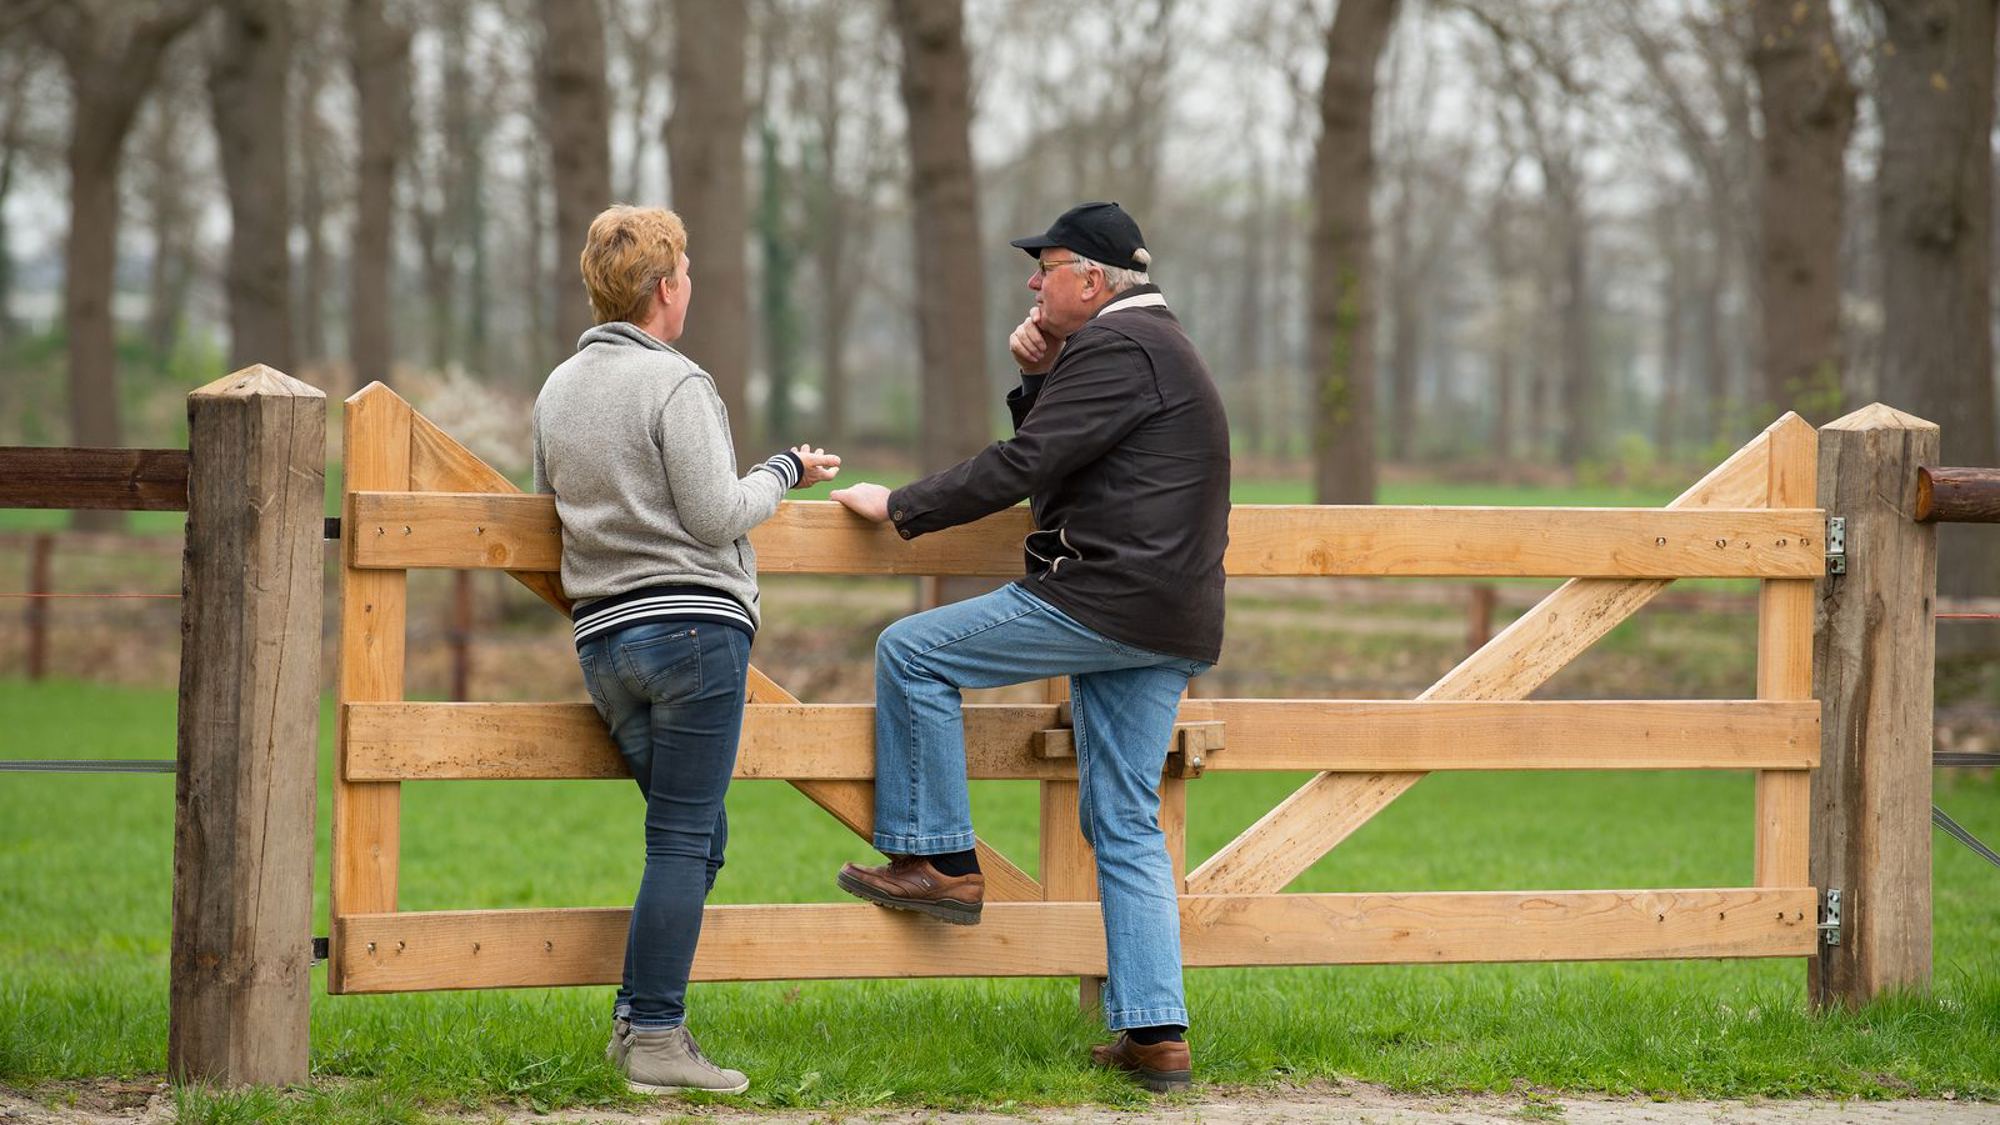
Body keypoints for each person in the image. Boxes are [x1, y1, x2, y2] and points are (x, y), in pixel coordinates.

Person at [829, 201, 1229, 1093]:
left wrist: (899, 507)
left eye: (1043, 267)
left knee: (912, 652)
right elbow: (1078, 450)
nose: (1030, 282)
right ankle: (1157, 1034)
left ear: (1092, 279)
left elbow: (1026, 464)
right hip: (1169, 618)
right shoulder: (1152, 347)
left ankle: (941, 862)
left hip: (1105, 600)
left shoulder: (1121, 347)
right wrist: (1041, 372)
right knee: (1122, 819)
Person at [532, 204, 839, 1096]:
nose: (692, 285)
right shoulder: (678, 384)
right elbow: (714, 513)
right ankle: (660, 1039)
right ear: (666, 288)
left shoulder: (557, 389)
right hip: (694, 635)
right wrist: (783, 471)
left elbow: (551, 503)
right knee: (680, 840)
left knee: (698, 839)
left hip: (605, 644)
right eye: (690, 272)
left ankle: (637, 1026)